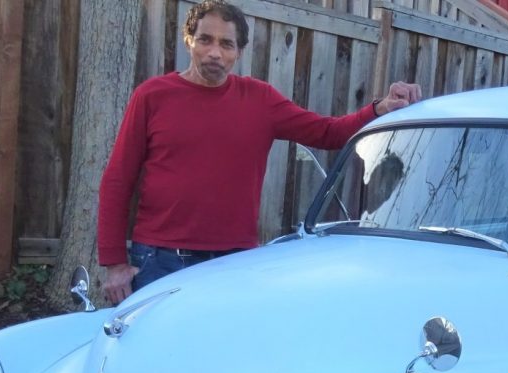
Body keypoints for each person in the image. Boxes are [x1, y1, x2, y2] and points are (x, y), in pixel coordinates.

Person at [98, 0, 421, 304]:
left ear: (239, 52)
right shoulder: (153, 96)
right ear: (188, 41)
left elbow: (327, 132)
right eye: (205, 40)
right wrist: (114, 263)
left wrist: (380, 108)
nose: (214, 52)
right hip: (160, 259)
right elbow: (118, 179)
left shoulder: (259, 99)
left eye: (226, 44)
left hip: (234, 261)